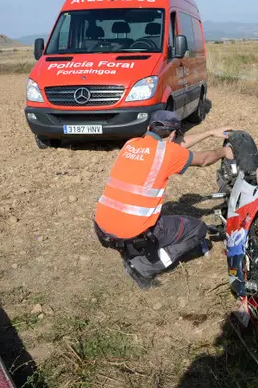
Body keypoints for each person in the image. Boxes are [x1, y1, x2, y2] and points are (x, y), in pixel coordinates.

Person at [93, 110, 234, 289]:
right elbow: (205, 159)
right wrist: (225, 151)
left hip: (103, 229)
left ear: (148, 127)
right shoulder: (168, 152)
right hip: (131, 233)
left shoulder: (131, 144)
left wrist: (210, 132)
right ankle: (143, 267)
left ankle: (130, 250)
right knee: (198, 229)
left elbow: (176, 147)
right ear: (173, 134)